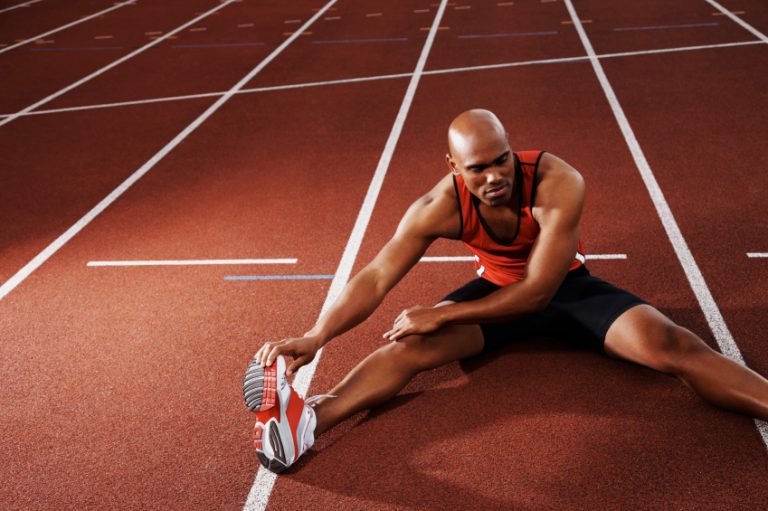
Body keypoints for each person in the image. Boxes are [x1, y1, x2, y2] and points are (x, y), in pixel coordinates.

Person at [243, 109, 768, 473]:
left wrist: (444, 314)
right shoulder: (436, 207)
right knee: (406, 349)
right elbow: (377, 276)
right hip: (496, 294)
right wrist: (316, 337)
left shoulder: (558, 180)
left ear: (512, 151)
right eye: (478, 168)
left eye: (502, 160)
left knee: (674, 346)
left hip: (567, 291)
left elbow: (539, 292)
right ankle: (307, 422)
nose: (495, 176)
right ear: (454, 169)